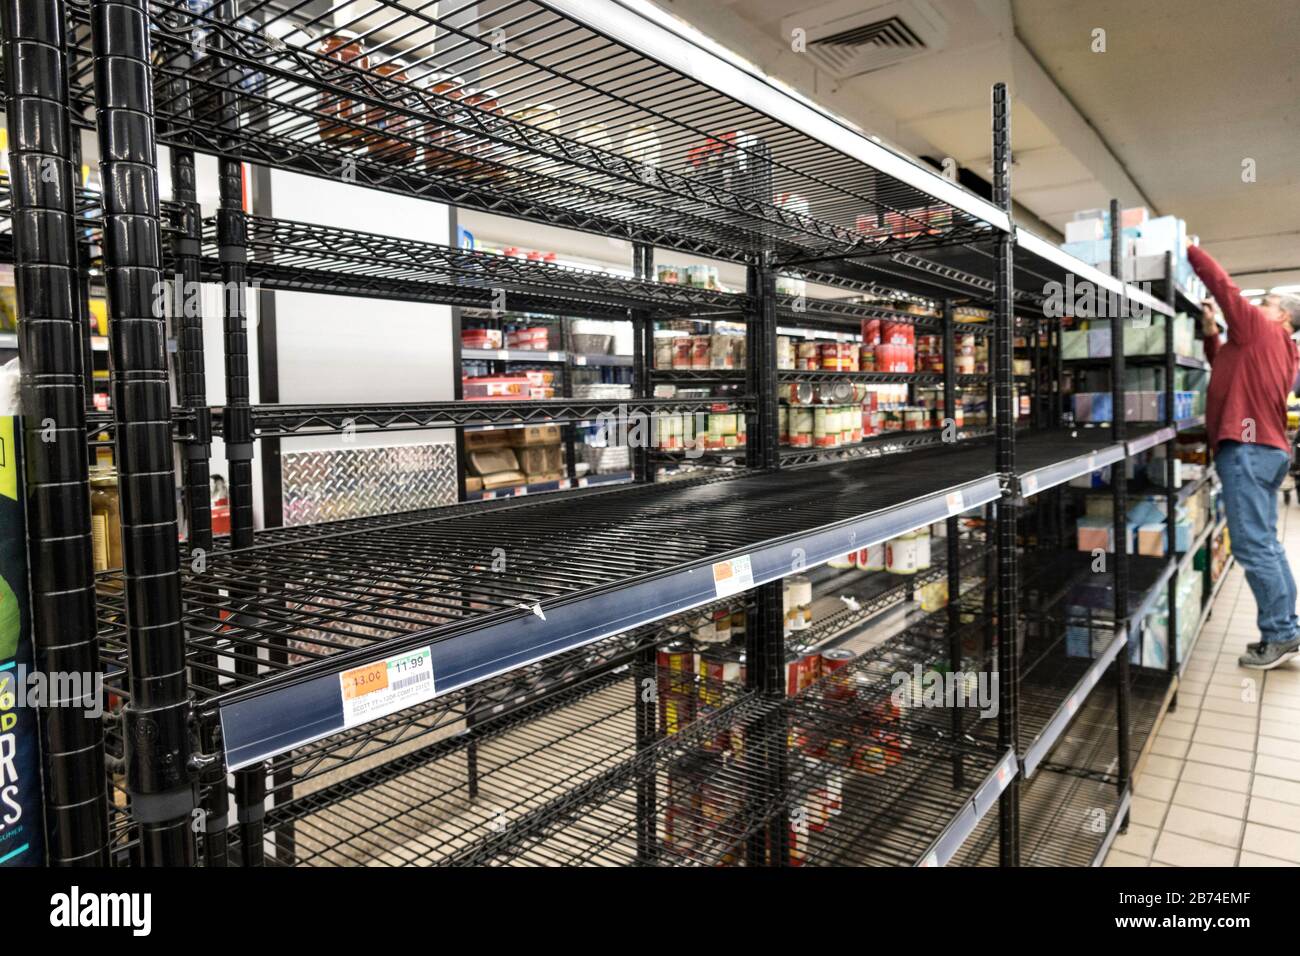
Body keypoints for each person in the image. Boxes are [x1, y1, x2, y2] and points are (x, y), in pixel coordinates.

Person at [1189, 243, 1300, 668]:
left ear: (1282, 315)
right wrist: (1211, 331)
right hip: (1267, 451)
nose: (1257, 305)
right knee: (1267, 543)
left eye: (1266, 302)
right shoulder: (1280, 347)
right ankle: (1285, 627)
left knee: (1253, 546)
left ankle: (1281, 634)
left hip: (1249, 451)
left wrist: (1188, 250)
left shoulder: (1261, 329)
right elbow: (1225, 366)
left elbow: (1225, 287)